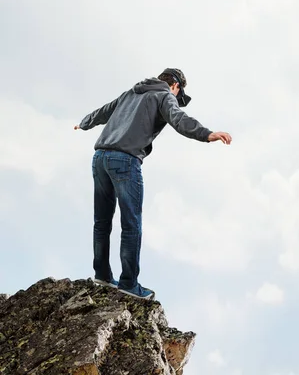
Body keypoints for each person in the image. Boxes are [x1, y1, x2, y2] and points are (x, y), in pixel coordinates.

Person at [74, 68, 232, 300]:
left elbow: (103, 112)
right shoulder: (164, 95)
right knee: (131, 224)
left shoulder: (131, 93)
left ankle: (102, 275)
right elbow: (179, 119)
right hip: (125, 160)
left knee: (102, 221)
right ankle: (128, 283)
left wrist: (84, 123)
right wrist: (207, 134)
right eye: (178, 96)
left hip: (100, 157)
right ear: (175, 86)